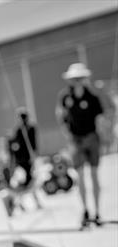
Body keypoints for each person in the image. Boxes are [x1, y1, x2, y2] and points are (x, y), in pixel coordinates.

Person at [56, 62, 104, 227]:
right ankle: (85, 211)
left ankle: (97, 212)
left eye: (80, 78)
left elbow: (100, 118)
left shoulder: (92, 97)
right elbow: (60, 116)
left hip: (91, 138)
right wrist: (68, 135)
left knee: (94, 175)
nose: (77, 82)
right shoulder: (65, 97)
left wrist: (101, 136)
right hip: (76, 140)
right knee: (81, 176)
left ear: (84, 79)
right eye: (74, 79)